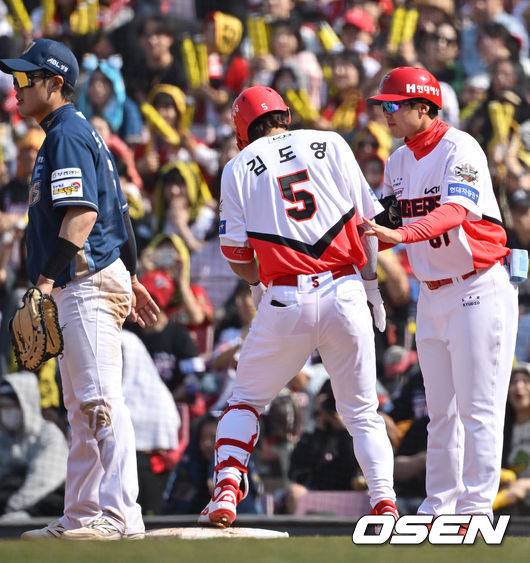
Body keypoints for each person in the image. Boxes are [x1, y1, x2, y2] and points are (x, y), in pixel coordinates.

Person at [198, 85, 398, 527]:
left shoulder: (237, 167)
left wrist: (258, 283)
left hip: (286, 296)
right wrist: (370, 285)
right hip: (345, 290)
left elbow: (236, 254)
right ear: (285, 115)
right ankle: (384, 502)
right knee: (362, 412)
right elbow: (370, 225)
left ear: (242, 131)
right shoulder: (331, 141)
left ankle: (227, 489)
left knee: (245, 400)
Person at [0, 38, 160, 540]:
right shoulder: (70, 132)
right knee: (82, 407)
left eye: (25, 78)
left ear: (55, 83)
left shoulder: (66, 133)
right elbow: (117, 211)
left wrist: (46, 282)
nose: (16, 87)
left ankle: (121, 513)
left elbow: (83, 214)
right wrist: (130, 273)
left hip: (84, 284)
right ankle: (83, 514)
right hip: (91, 279)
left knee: (99, 401)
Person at [365, 66, 519, 520]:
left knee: (479, 408)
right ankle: (439, 505)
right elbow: (387, 216)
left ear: (423, 107)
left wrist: (401, 234)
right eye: (383, 106)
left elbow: (454, 211)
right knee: (440, 412)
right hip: (431, 294)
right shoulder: (398, 160)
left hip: (478, 286)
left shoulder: (459, 147)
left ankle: (475, 509)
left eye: (394, 105)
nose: (386, 113)